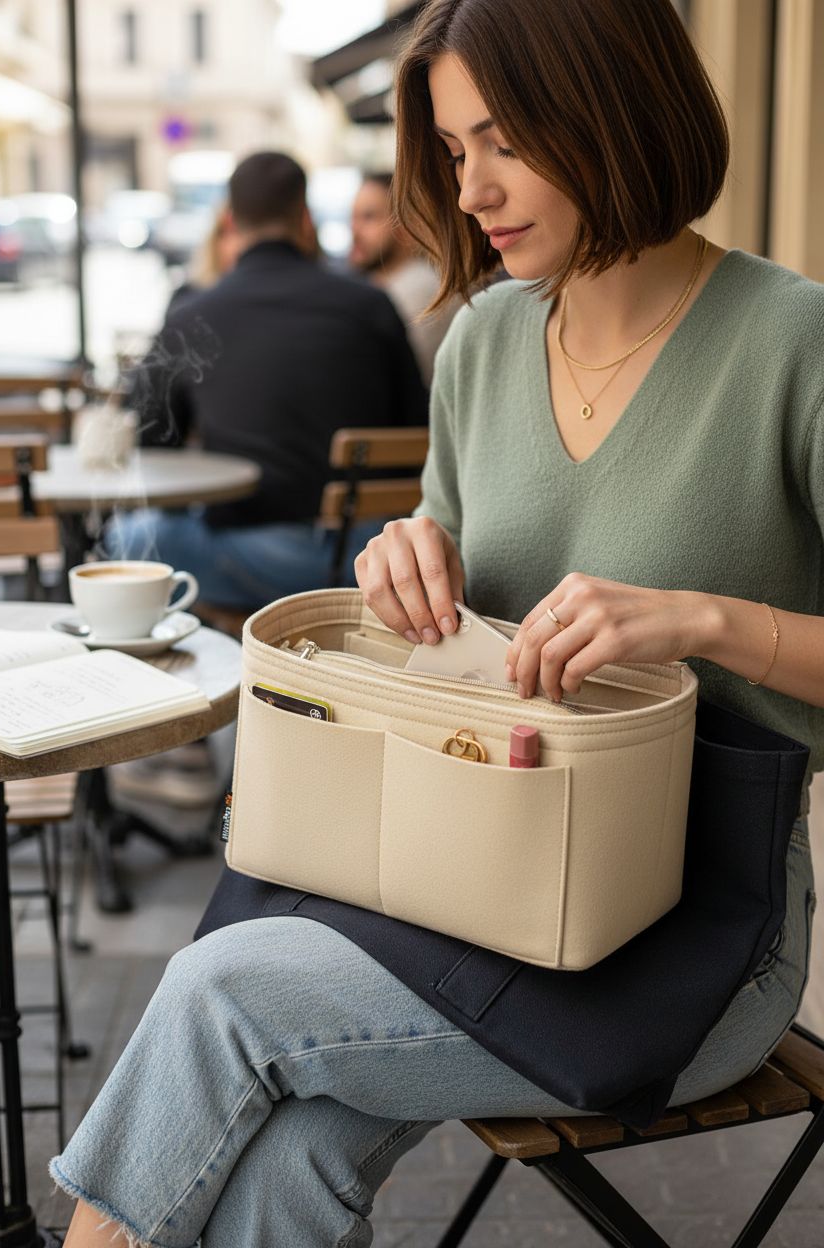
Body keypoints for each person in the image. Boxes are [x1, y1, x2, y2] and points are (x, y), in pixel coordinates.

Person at [51, 1, 824, 1243]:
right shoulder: (479, 341)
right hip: (464, 875)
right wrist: (403, 569)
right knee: (289, 1156)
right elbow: (440, 603)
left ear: (615, 110)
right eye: (457, 152)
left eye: (503, 142)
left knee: (220, 994)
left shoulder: (792, 341)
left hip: (692, 932)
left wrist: (703, 621)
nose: (470, 191)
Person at [106, 151, 428, 609]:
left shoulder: (191, 316)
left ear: (231, 221)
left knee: (127, 537)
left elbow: (152, 443)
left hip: (256, 556)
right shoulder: (371, 305)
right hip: (370, 560)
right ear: (304, 217)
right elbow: (416, 427)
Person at [349, 171, 459, 386]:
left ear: (407, 224)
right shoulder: (382, 286)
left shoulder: (422, 288)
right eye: (353, 217)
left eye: (369, 217)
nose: (354, 230)